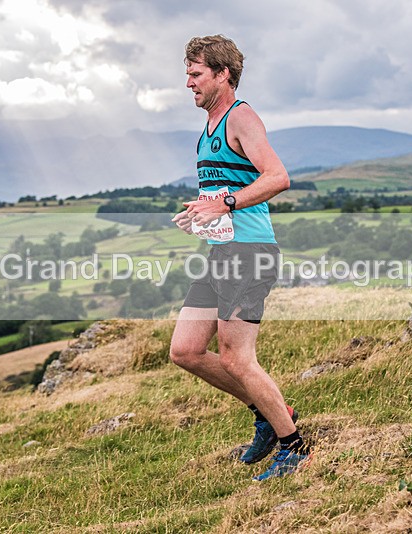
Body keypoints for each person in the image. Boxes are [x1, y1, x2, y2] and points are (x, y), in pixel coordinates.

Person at [170, 35, 310, 481]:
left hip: (250, 255)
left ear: (222, 74)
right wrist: (204, 216)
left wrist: (225, 204)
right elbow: (222, 194)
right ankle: (267, 414)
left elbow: (278, 177)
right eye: (188, 74)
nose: (188, 82)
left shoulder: (241, 117)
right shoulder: (207, 129)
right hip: (221, 253)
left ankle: (295, 446)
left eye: (195, 74)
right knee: (186, 351)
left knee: (236, 359)